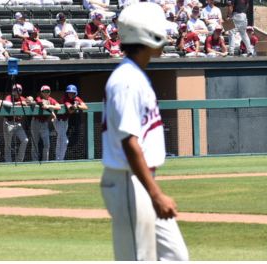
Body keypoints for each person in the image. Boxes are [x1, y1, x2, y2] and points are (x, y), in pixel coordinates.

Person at [102, 3, 190, 261]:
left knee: (176, 257)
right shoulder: (127, 81)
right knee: (138, 258)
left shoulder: (136, 76)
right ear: (147, 34)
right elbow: (129, 142)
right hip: (128, 181)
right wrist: (156, 194)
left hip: (140, 180)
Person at [56, 85, 88, 161]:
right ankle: (59, 159)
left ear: (75, 93)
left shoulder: (76, 98)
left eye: (72, 93)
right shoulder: (65, 98)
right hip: (58, 120)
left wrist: (77, 106)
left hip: (65, 121)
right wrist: (75, 106)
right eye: (69, 93)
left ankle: (59, 159)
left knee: (61, 140)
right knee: (63, 141)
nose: (70, 94)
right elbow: (70, 110)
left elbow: (85, 107)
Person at [31, 85, 60, 162]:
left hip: (44, 123)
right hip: (35, 122)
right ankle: (35, 161)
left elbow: (59, 106)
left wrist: (49, 106)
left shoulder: (51, 99)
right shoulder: (38, 98)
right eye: (44, 91)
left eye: (48, 91)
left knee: (47, 144)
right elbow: (43, 106)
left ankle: (45, 161)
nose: (46, 93)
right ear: (41, 92)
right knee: (35, 143)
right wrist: (52, 112)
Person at [2, 84, 30, 163]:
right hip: (8, 122)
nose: (17, 91)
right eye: (15, 90)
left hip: (18, 123)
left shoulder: (22, 98)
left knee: (25, 140)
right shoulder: (9, 97)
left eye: (19, 90)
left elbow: (30, 102)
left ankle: (19, 160)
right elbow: (7, 104)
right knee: (8, 144)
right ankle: (8, 162)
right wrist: (19, 103)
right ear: (12, 91)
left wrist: (30, 101)